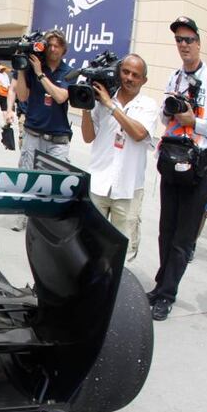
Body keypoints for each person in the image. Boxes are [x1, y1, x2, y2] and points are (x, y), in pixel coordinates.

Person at [147, 16, 207, 321]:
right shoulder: (175, 78)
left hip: (201, 166)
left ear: (198, 43)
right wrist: (169, 113)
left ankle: (167, 295)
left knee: (183, 238)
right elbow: (163, 115)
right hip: (172, 161)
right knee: (165, 231)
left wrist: (193, 121)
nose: (183, 45)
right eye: (178, 40)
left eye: (188, 39)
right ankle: (159, 287)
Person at [80, 54, 157, 261]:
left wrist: (110, 105)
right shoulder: (102, 98)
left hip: (128, 189)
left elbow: (139, 133)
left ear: (144, 80)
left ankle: (114, 288)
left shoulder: (148, 105)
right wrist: (87, 106)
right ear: (118, 72)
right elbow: (88, 137)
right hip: (98, 183)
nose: (129, 78)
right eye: (125, 72)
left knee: (120, 251)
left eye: (135, 75)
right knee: (91, 244)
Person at [11, 29, 74, 232]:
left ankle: (45, 220)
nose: (53, 49)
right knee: (27, 176)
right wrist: (22, 69)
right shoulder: (33, 67)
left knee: (55, 182)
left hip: (58, 137)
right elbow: (21, 97)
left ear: (64, 49)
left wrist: (39, 73)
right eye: (50, 45)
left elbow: (60, 97)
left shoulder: (69, 71)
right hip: (33, 133)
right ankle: (22, 215)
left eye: (58, 45)